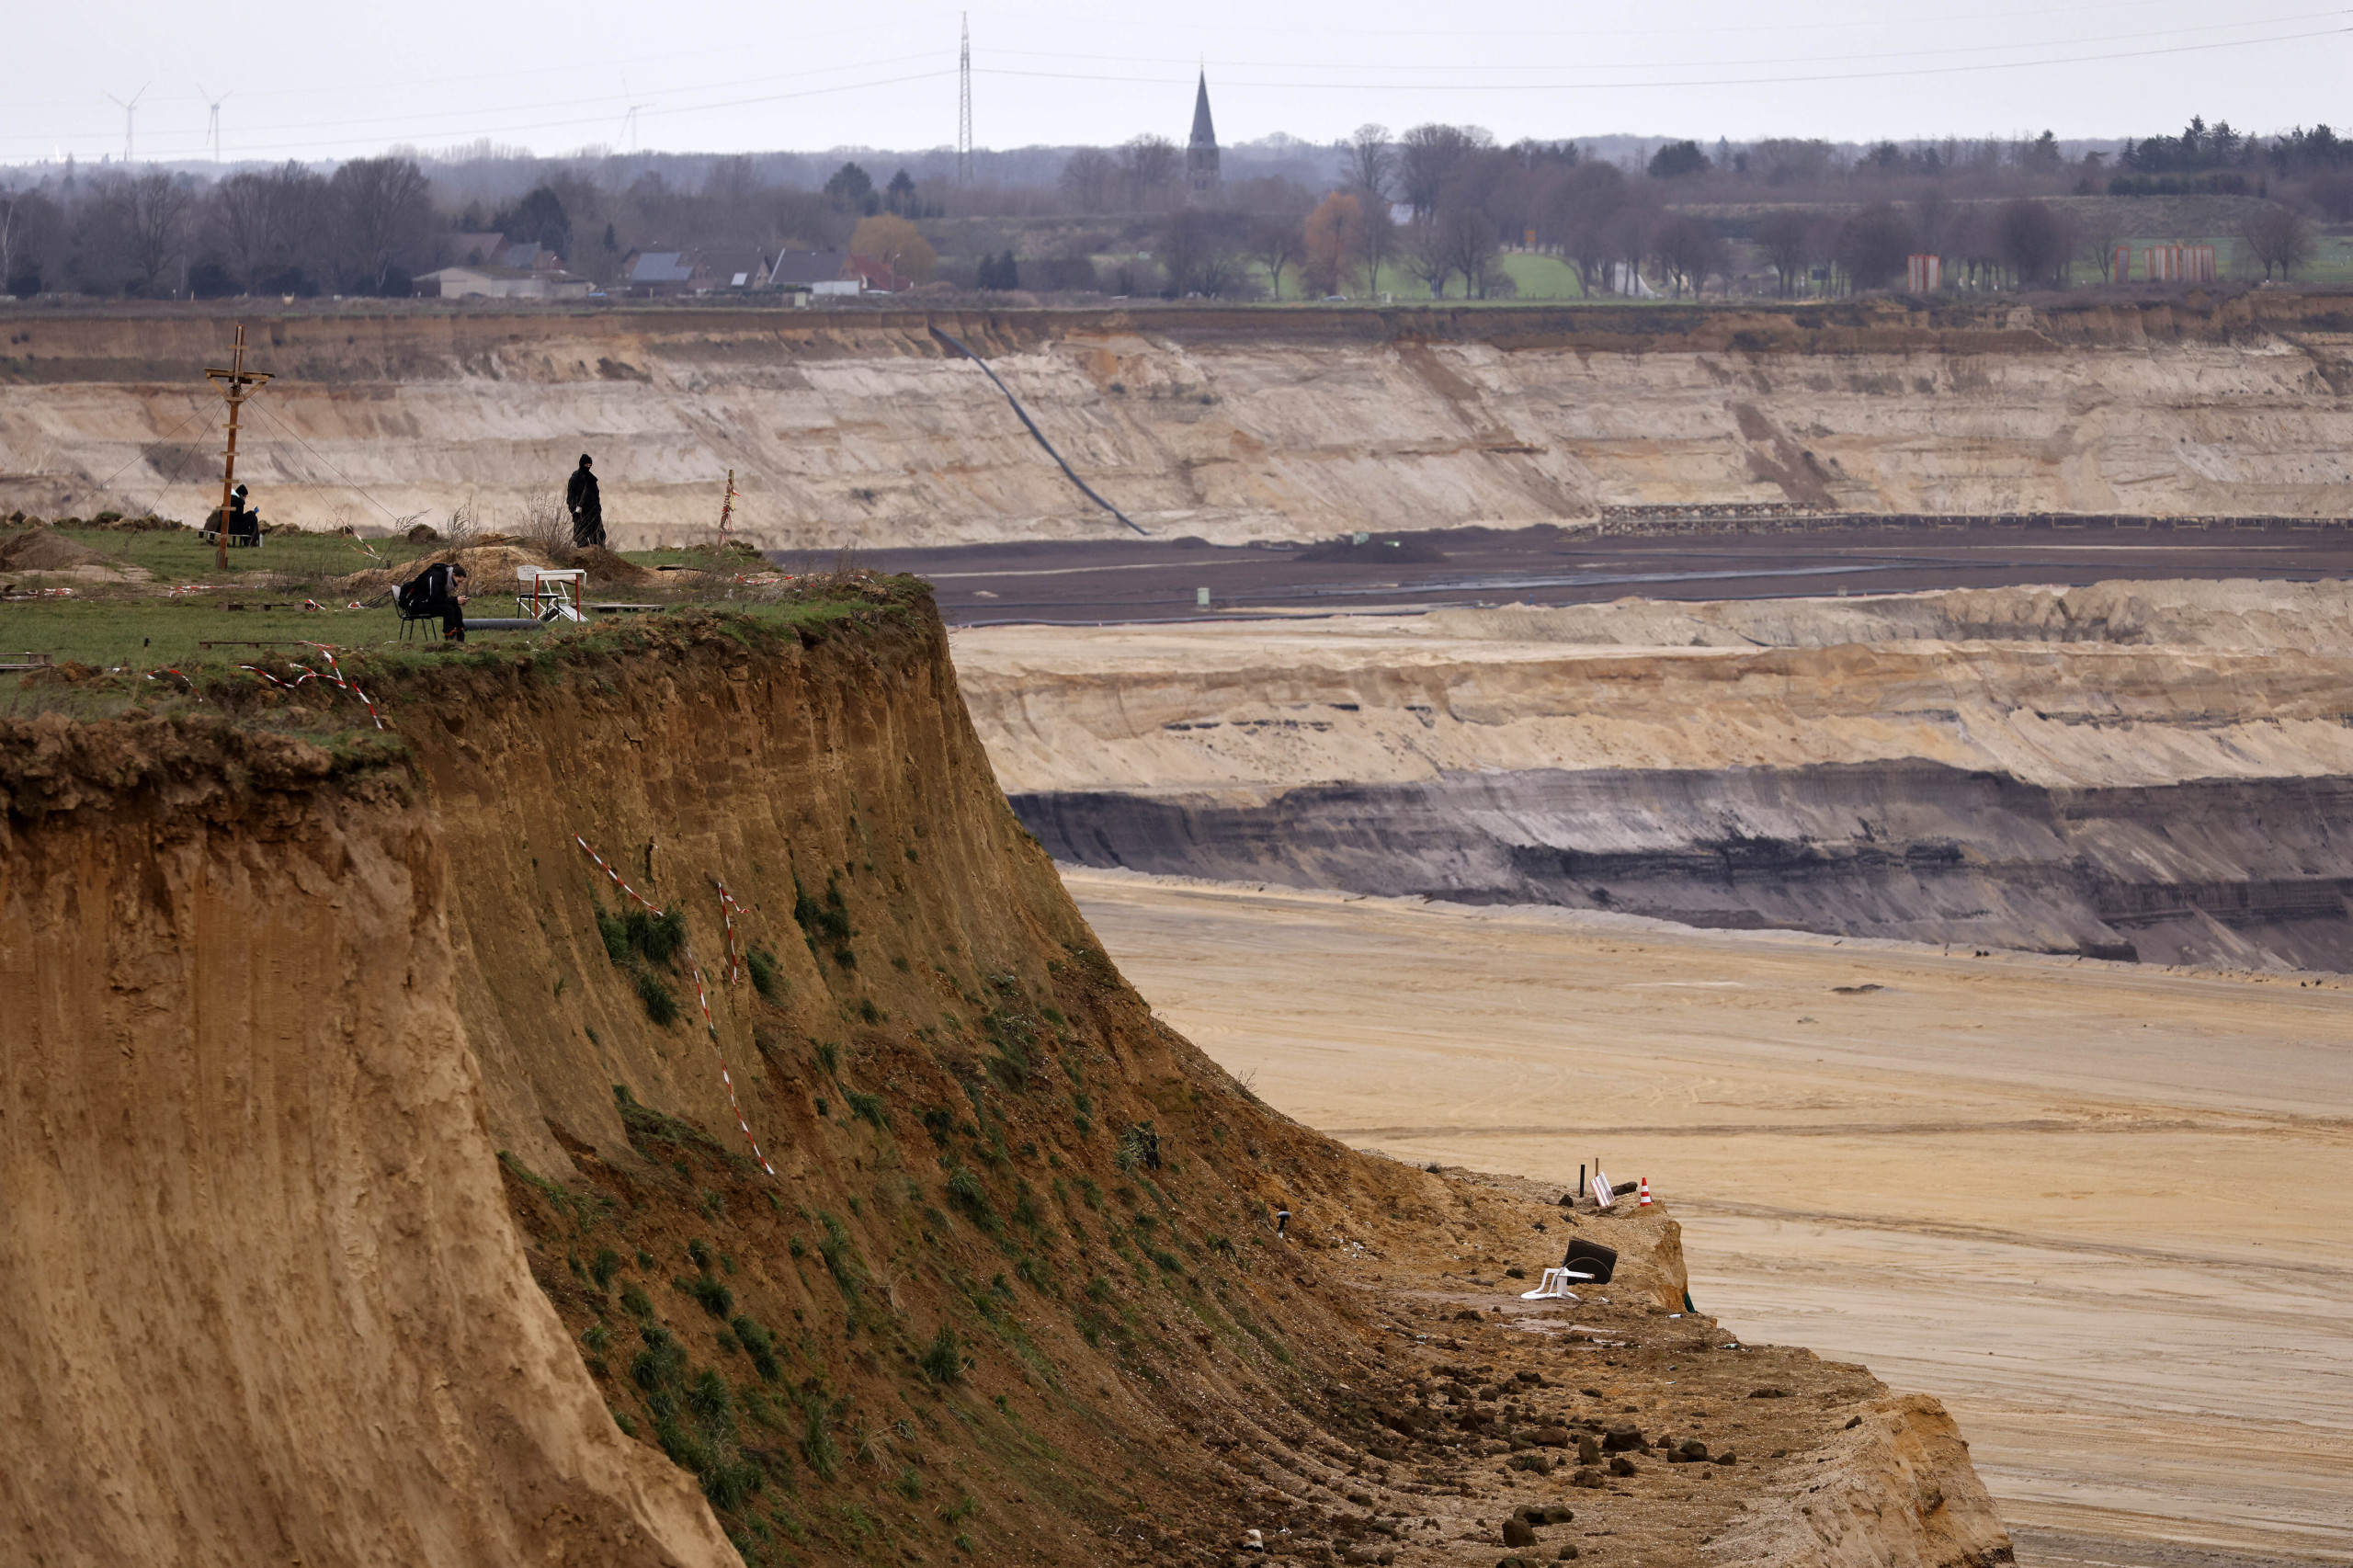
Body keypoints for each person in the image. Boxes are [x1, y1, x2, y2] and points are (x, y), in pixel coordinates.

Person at [399, 561, 470, 642]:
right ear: (453, 575)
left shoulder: (444, 576)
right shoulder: (436, 576)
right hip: (415, 605)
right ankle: (450, 641)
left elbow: (440, 598)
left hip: (427, 602)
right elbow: (434, 598)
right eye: (459, 581)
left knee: (456, 608)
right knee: (448, 609)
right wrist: (455, 600)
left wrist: (456, 601)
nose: (459, 584)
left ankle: (460, 639)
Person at [566, 453, 605, 549]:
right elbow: (571, 497)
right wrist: (574, 510)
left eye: (589, 465)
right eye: (586, 465)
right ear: (581, 464)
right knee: (581, 538)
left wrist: (598, 509)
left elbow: (596, 496)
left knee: (598, 539)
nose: (588, 467)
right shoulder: (575, 479)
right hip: (581, 513)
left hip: (594, 513)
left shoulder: (591, 479)